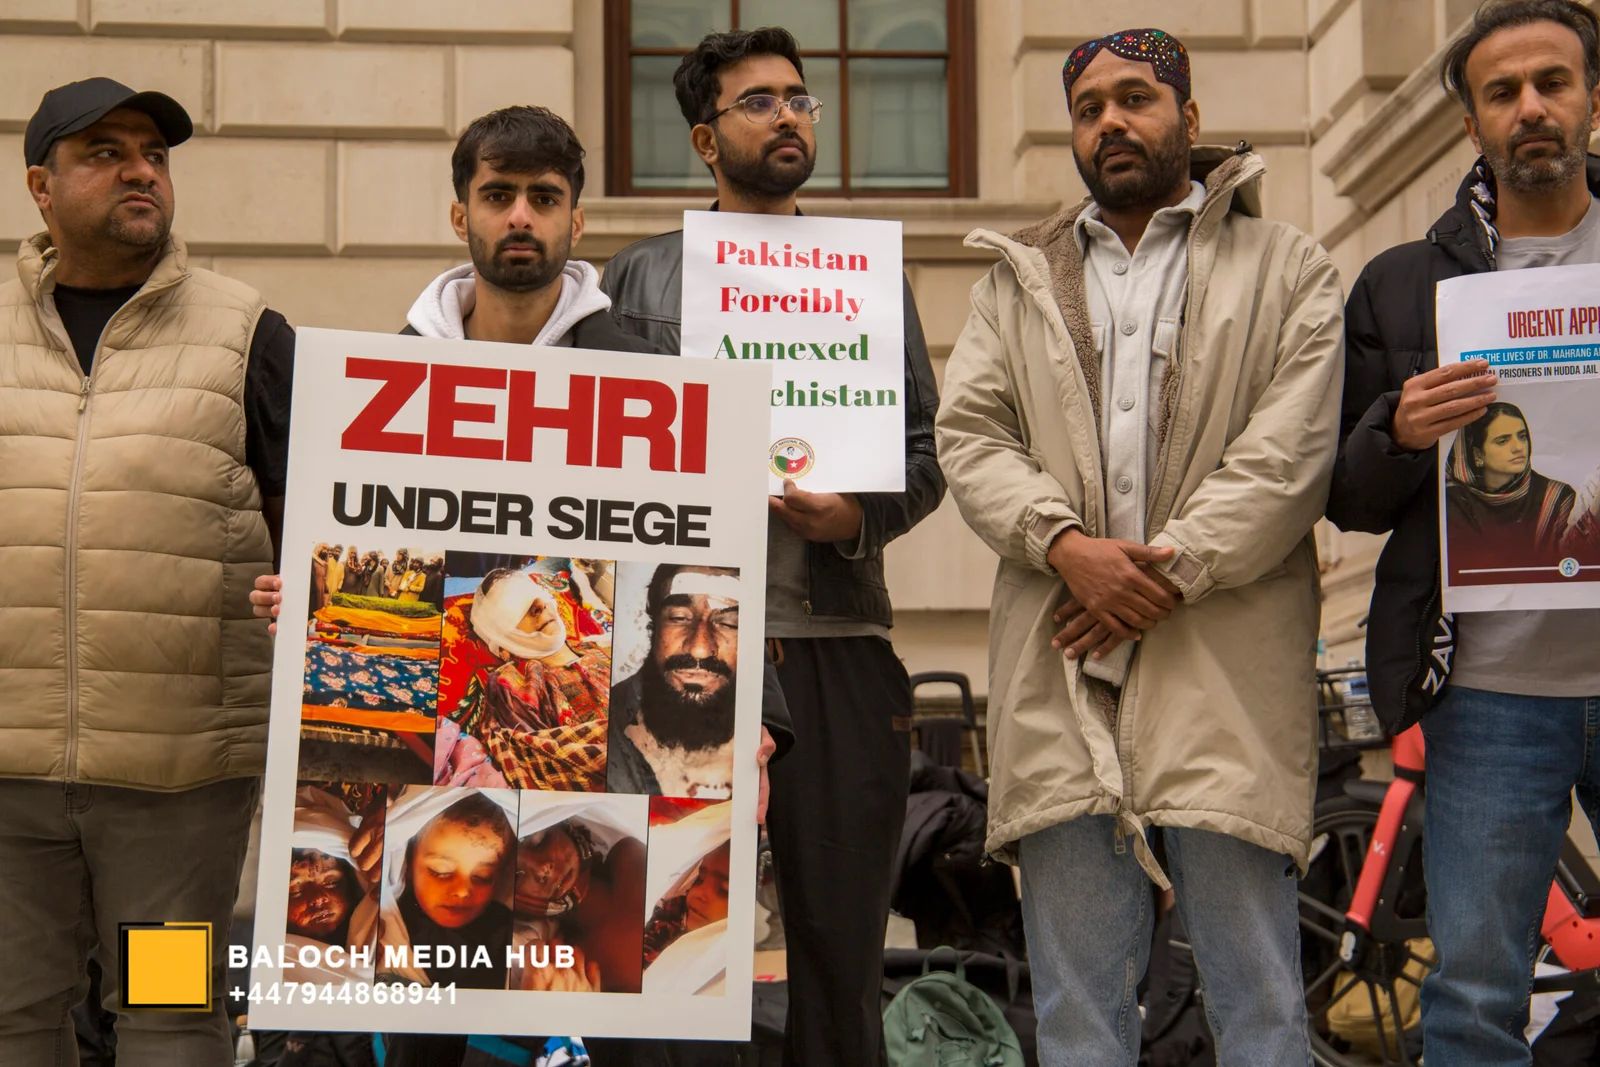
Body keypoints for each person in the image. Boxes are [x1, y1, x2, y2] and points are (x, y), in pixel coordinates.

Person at [937, 27, 1343, 1064]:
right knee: (1078, 1012)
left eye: (1135, 98)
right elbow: (971, 435)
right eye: (1089, 109)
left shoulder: (1287, 268)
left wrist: (1160, 577)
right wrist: (1064, 544)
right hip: (1061, 666)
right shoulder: (1014, 280)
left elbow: (1287, 457)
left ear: (1189, 118)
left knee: (1259, 1001)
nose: (1110, 121)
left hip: (1223, 669)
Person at [599, 27, 944, 1062]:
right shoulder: (637, 280)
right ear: (705, 139)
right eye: (758, 101)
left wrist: (859, 518)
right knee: (665, 940)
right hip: (682, 649)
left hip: (835, 640)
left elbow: (928, 452)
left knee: (841, 958)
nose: (788, 114)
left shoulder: (866, 274)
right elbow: (595, 458)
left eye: (799, 97)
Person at [1326, 2, 1600, 1061]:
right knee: (1475, 997)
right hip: (1487, 692)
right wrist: (1397, 430)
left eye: (1552, 82)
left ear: (1590, 98)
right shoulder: (1402, 283)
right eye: (1502, 91)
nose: (1530, 106)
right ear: (1472, 122)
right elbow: (1344, 495)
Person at [0, 77, 293, 1064]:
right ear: (41, 185)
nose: (141, 172)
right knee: (11, 1018)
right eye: (106, 153)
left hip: (178, 789)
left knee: (168, 1019)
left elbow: (319, 521)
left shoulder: (247, 332)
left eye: (154, 156)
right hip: (8, 785)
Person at [607, 564, 740, 798]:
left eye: (728, 623)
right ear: (654, 625)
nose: (699, 649)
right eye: (679, 618)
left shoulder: (763, 726)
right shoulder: (604, 720)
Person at [378, 790, 516, 991]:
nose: (462, 891)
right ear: (408, 865)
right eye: (441, 872)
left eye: (482, 877)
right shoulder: (389, 914)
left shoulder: (503, 929)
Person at [1445, 401, 1600, 573]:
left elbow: (1567, 564)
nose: (1518, 447)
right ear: (1478, 455)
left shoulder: (1556, 497)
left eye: (1522, 436)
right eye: (1503, 441)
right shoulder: (1452, 500)